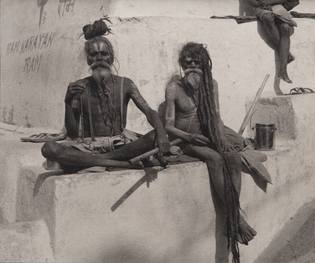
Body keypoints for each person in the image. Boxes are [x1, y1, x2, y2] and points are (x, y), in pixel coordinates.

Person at [165, 42, 266, 263]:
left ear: (205, 64)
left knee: (231, 155)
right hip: (186, 140)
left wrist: (221, 140)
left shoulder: (212, 85)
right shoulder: (174, 88)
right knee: (214, 158)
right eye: (188, 63)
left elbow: (217, 117)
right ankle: (237, 220)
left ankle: (233, 213)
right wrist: (189, 137)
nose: (192, 67)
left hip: (209, 133)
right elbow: (169, 126)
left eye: (197, 62)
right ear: (182, 65)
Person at [41, 19, 169, 170]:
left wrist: (161, 133)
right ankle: (117, 163)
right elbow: (74, 134)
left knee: (155, 136)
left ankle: (98, 160)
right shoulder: (79, 87)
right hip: (89, 146)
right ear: (88, 59)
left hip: (120, 145)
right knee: (49, 148)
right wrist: (67, 101)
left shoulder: (126, 84)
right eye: (94, 54)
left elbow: (148, 111)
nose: (99, 58)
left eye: (104, 54)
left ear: (111, 57)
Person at [248, 0, 299, 83]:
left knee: (285, 27)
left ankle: (282, 71)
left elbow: (294, 1)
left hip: (278, 8)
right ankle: (286, 56)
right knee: (268, 17)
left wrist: (272, 4)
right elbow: (254, 3)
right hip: (261, 9)